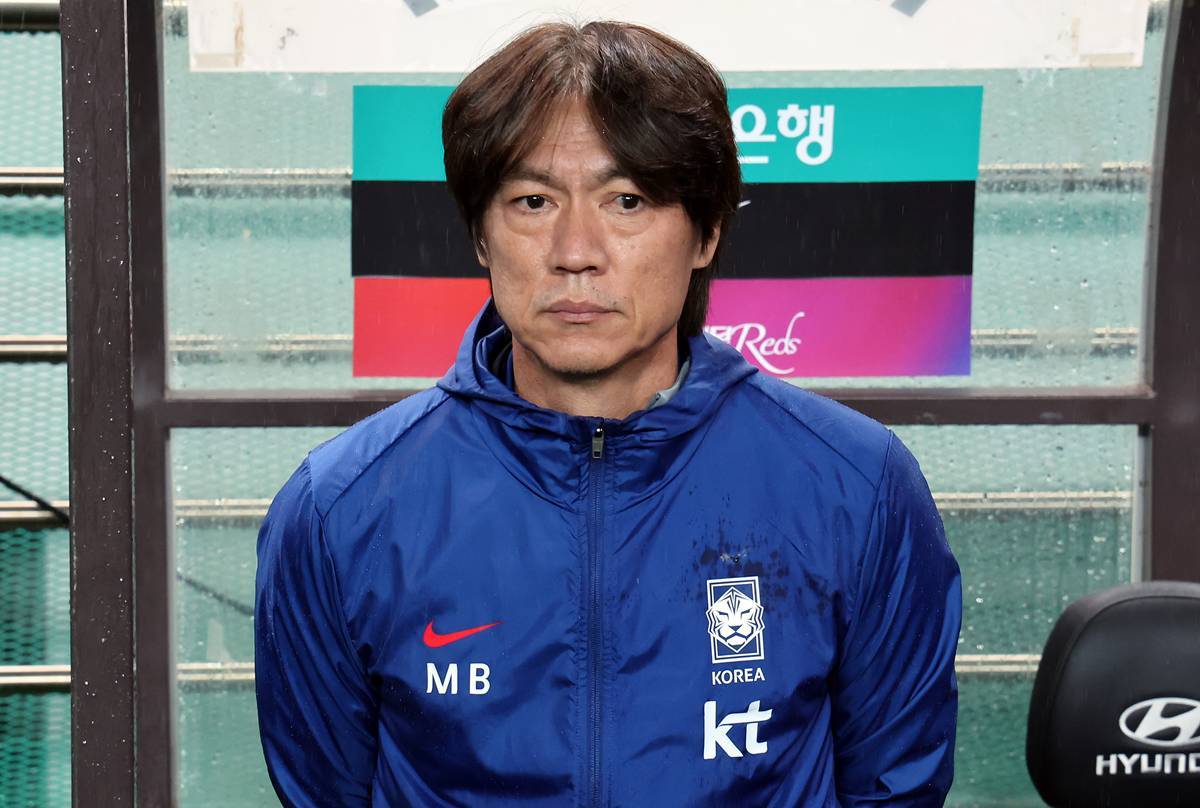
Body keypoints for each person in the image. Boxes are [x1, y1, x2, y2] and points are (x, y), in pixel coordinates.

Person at [255, 20, 961, 807]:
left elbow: (896, 786)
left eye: (626, 200)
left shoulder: (856, 485)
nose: (575, 251)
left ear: (707, 233)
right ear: (481, 237)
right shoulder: (340, 508)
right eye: (532, 201)